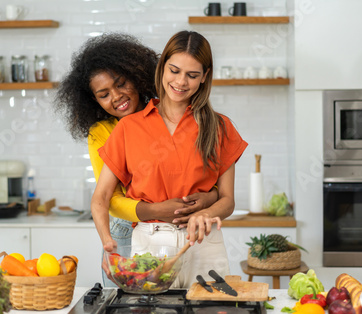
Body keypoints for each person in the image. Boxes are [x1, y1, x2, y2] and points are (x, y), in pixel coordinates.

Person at [54, 33, 219, 285]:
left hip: (180, 226)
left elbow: (201, 176)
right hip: (126, 228)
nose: (116, 96)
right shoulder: (102, 133)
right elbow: (108, 198)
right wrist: (154, 210)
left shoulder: (172, 113)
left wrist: (208, 197)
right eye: (104, 94)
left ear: (137, 75)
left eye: (121, 84)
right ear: (94, 100)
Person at [91, 30, 248, 288]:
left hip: (203, 244)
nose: (181, 82)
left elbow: (228, 201)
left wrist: (206, 213)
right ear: (162, 67)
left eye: (192, 75)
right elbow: (100, 198)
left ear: (205, 77)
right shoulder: (129, 128)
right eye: (174, 70)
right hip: (149, 247)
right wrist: (108, 243)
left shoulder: (220, 126)